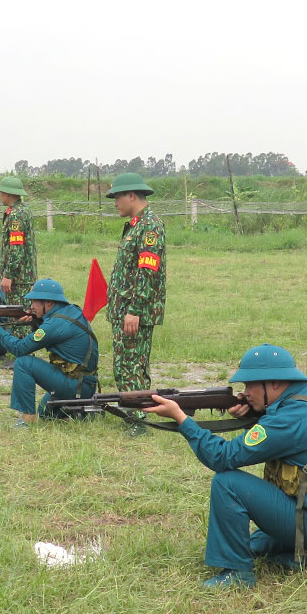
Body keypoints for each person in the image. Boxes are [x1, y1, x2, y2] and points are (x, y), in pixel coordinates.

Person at [143, 344, 307, 589]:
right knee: (255, 546)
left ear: (273, 383)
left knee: (228, 482)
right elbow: (280, 436)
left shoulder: (289, 419)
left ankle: (238, 576)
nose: (245, 393)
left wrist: (182, 419)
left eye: (250, 385)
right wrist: (249, 416)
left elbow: (222, 457)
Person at [0, 278, 97, 427]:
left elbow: (19, 349)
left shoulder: (54, 324)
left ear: (49, 303)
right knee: (45, 413)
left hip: (76, 385)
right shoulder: (71, 311)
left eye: (34, 302)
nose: (31, 306)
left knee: (23, 363)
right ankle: (82, 411)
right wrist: (36, 321)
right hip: (84, 384)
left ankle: (28, 420)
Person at [106, 172, 166, 435]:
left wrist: (135, 310)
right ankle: (134, 415)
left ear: (132, 195)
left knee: (133, 366)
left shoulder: (149, 226)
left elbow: (147, 271)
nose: (115, 202)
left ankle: (140, 421)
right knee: (124, 365)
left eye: (118, 196)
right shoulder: (135, 224)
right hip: (124, 310)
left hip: (134, 312)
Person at [0, 177, 37, 345]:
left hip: (19, 276)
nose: (0, 196)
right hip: (23, 274)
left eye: (1, 193)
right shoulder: (21, 211)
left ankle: (21, 352)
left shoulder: (17, 215)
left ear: (8, 194)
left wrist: (8, 274)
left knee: (20, 314)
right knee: (20, 312)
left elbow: (16, 247)